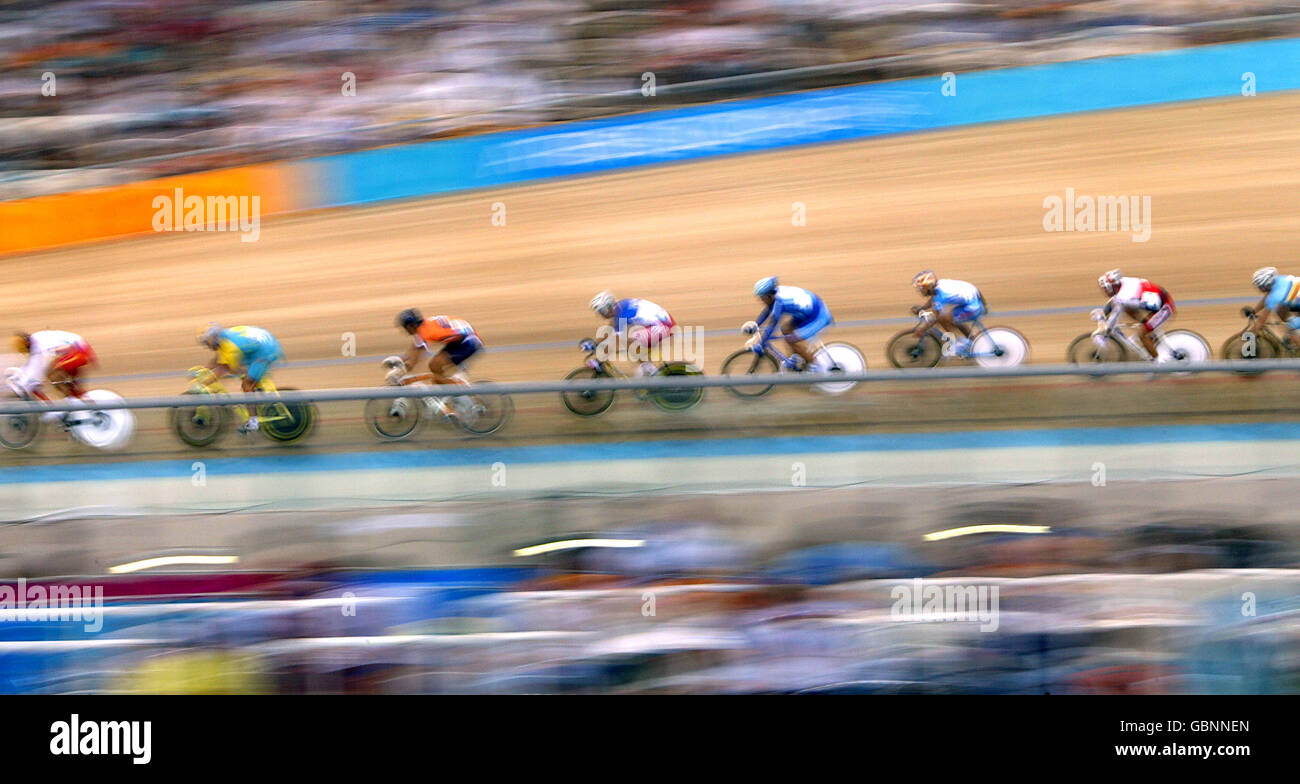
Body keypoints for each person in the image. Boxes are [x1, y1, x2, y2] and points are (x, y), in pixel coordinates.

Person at [195, 323, 285, 433]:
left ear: (211, 340)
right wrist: (204, 370)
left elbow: (225, 369)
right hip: (262, 343)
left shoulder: (230, 348)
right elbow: (219, 359)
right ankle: (260, 390)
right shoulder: (223, 338)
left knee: (246, 384)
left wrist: (205, 382)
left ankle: (253, 423)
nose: (206, 347)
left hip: (265, 351)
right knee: (243, 371)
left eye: (206, 343)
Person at [394, 308, 483, 418]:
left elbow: (416, 357)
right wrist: (400, 360)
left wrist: (404, 369)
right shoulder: (424, 326)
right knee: (434, 367)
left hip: (468, 342)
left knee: (436, 367)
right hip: (461, 338)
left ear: (410, 326)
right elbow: (414, 348)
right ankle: (447, 393)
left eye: (404, 328)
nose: (405, 331)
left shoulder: (425, 332)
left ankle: (461, 395)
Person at [742, 277, 835, 370]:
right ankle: (799, 357)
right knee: (786, 330)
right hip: (807, 312)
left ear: (770, 295)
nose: (761, 300)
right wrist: (756, 324)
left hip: (818, 316)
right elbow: (768, 310)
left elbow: (772, 325)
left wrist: (761, 342)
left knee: (791, 340)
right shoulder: (775, 295)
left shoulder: (781, 303)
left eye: (762, 298)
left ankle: (816, 365)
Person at [8, 330, 97, 420]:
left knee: (54, 375)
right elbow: (31, 363)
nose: (26, 352)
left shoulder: (40, 345)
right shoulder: (35, 341)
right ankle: (87, 406)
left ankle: (65, 406)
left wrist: (27, 381)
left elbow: (39, 366)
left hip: (80, 352)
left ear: (27, 343)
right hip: (76, 350)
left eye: (24, 349)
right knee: (70, 386)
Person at [588, 291, 677, 376]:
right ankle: (648, 367)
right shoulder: (620, 307)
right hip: (663, 322)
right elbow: (611, 329)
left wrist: (599, 360)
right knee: (633, 343)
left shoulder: (622, 315)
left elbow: (615, 341)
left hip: (663, 326)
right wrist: (596, 342)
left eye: (601, 311)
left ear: (607, 308)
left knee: (630, 344)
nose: (601, 315)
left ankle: (651, 370)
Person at [1096, 269, 1176, 360]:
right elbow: (1114, 301)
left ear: (1111, 287)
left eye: (1105, 289)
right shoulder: (1122, 282)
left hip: (1165, 308)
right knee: (1128, 308)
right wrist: (1104, 313)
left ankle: (1158, 363)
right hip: (1158, 302)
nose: (1105, 292)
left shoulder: (1124, 296)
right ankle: (1147, 327)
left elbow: (1115, 316)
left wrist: (1106, 333)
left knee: (1142, 335)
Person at [910, 271, 986, 357]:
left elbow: (936, 317)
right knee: (951, 318)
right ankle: (971, 340)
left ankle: (957, 342)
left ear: (928, 287)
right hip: (974, 300)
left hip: (974, 307)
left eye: (922, 288)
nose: (921, 291)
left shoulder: (941, 295)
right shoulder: (939, 285)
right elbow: (933, 299)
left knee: (944, 319)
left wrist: (922, 330)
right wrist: (922, 308)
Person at [1244, 266, 1300, 348]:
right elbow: (1266, 298)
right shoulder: (1279, 280)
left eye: (1259, 286)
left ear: (1265, 285)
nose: (1258, 288)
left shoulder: (1275, 296)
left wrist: (1252, 332)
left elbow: (1261, 321)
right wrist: (1254, 311)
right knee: (1281, 310)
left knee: (1291, 329)